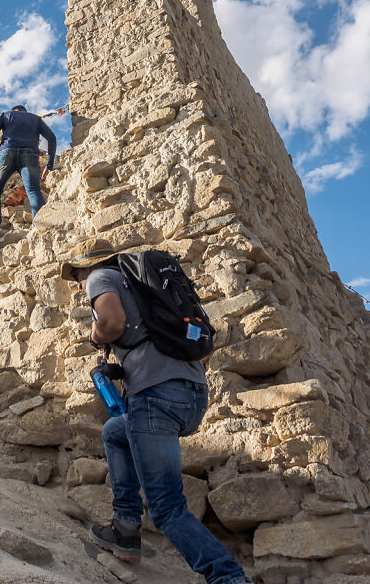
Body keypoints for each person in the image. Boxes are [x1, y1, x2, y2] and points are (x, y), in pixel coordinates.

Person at [60, 239, 252, 584]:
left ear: (90, 265)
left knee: (166, 508)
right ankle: (125, 527)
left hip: (155, 399)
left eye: (76, 273)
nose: (77, 283)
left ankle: (227, 577)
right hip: (190, 396)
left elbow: (112, 322)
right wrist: (119, 370)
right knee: (115, 432)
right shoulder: (140, 288)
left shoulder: (100, 277)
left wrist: (96, 335)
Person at [0, 105, 57, 225]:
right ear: (25, 112)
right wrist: (49, 166)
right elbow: (52, 138)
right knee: (33, 190)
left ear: (14, 110)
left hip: (7, 153)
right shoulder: (35, 119)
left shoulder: (6, 115)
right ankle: (39, 224)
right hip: (30, 155)